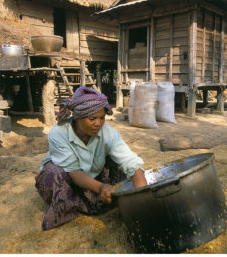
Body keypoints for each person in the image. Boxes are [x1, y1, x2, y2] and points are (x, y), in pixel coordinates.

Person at [35, 86, 147, 230]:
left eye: (102, 118)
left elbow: (130, 161)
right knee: (55, 174)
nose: (98, 123)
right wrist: (100, 187)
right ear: (77, 118)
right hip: (69, 177)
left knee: (119, 164)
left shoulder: (108, 133)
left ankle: (93, 200)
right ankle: (64, 206)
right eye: (92, 118)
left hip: (93, 175)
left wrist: (144, 196)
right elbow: (74, 173)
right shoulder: (58, 134)